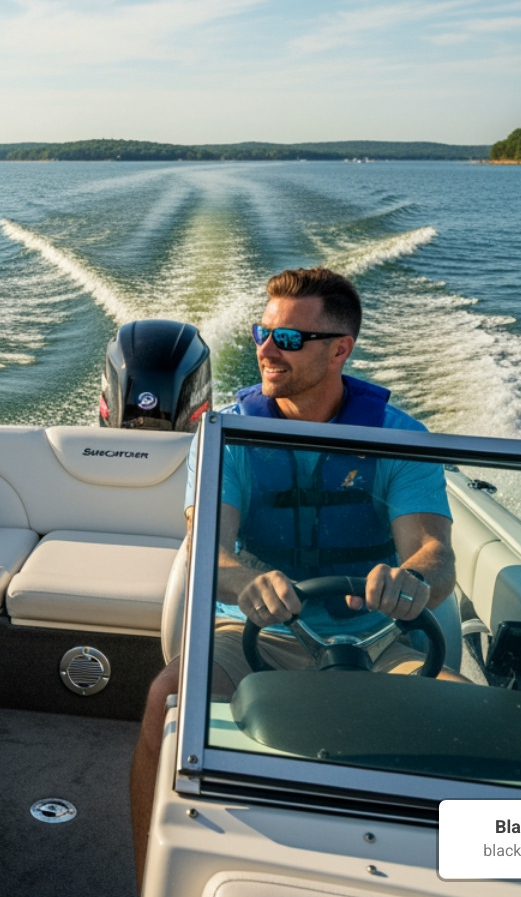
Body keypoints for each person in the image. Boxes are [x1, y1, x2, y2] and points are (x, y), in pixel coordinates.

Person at [128, 266, 462, 888]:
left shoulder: (399, 439)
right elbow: (210, 549)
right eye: (263, 332)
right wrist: (243, 583)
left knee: (463, 720)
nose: (264, 349)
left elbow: (435, 554)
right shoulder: (229, 437)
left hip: (381, 639)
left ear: (341, 349)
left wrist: (411, 581)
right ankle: (150, 876)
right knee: (165, 701)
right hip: (259, 634)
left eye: (287, 339)